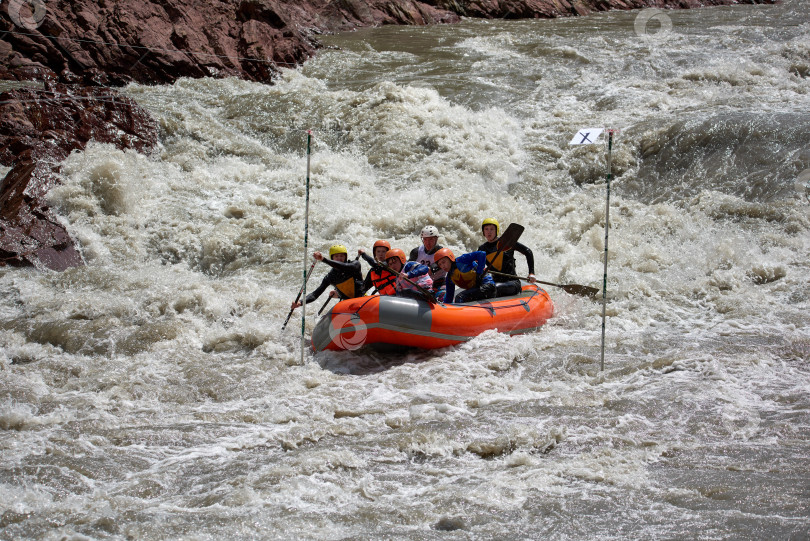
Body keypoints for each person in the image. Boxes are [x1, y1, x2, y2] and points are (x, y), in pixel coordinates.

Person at [290, 244, 364, 309]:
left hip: (363, 299)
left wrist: (323, 259)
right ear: (332, 258)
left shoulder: (355, 265)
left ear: (345, 257)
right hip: (348, 304)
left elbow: (343, 266)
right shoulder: (330, 277)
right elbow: (315, 294)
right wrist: (300, 302)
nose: (339, 258)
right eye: (336, 256)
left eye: (342, 256)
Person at [477, 217, 536, 297]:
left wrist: (531, 273)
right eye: (486, 229)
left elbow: (528, 251)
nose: (489, 232)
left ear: (496, 231)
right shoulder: (482, 249)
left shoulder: (506, 243)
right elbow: (477, 266)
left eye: (492, 229)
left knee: (491, 289)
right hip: (495, 282)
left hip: (512, 282)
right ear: (483, 232)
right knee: (483, 289)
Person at [408, 224, 446, 289]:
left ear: (436, 239)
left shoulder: (441, 253)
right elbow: (407, 267)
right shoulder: (416, 252)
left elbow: (431, 270)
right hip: (420, 283)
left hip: (438, 282)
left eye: (431, 239)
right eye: (425, 239)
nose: (427, 243)